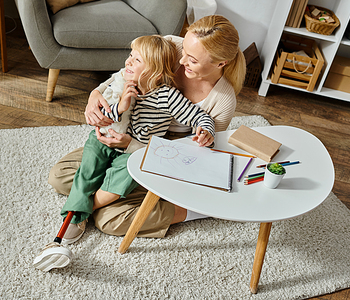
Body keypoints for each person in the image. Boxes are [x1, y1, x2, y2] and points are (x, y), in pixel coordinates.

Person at [48, 14, 246, 242]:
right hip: (126, 130)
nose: (181, 61)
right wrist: (96, 94)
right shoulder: (170, 47)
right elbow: (126, 74)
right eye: (185, 52)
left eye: (192, 60)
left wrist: (133, 146)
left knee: (108, 219)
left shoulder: (222, 100)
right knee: (59, 177)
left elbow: (192, 156)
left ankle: (191, 210)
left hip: (162, 148)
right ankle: (94, 199)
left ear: (220, 64)